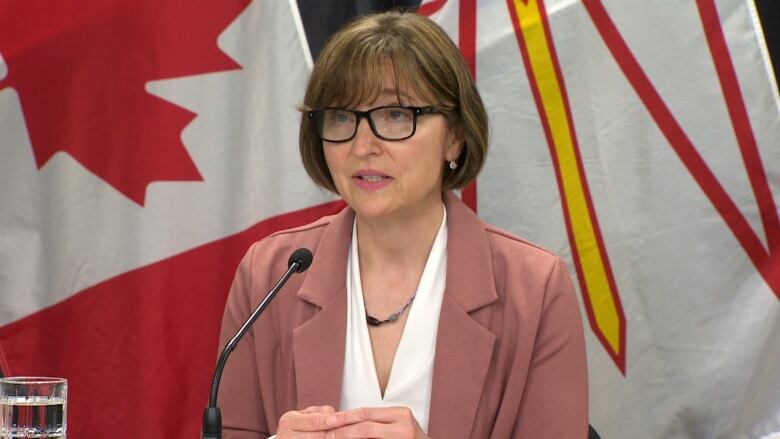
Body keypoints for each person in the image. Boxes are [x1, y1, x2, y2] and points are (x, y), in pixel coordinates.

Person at [216, 10, 588, 439]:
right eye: (340, 116)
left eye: (395, 114)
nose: (362, 145)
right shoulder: (270, 274)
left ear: (455, 137)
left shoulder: (534, 288)